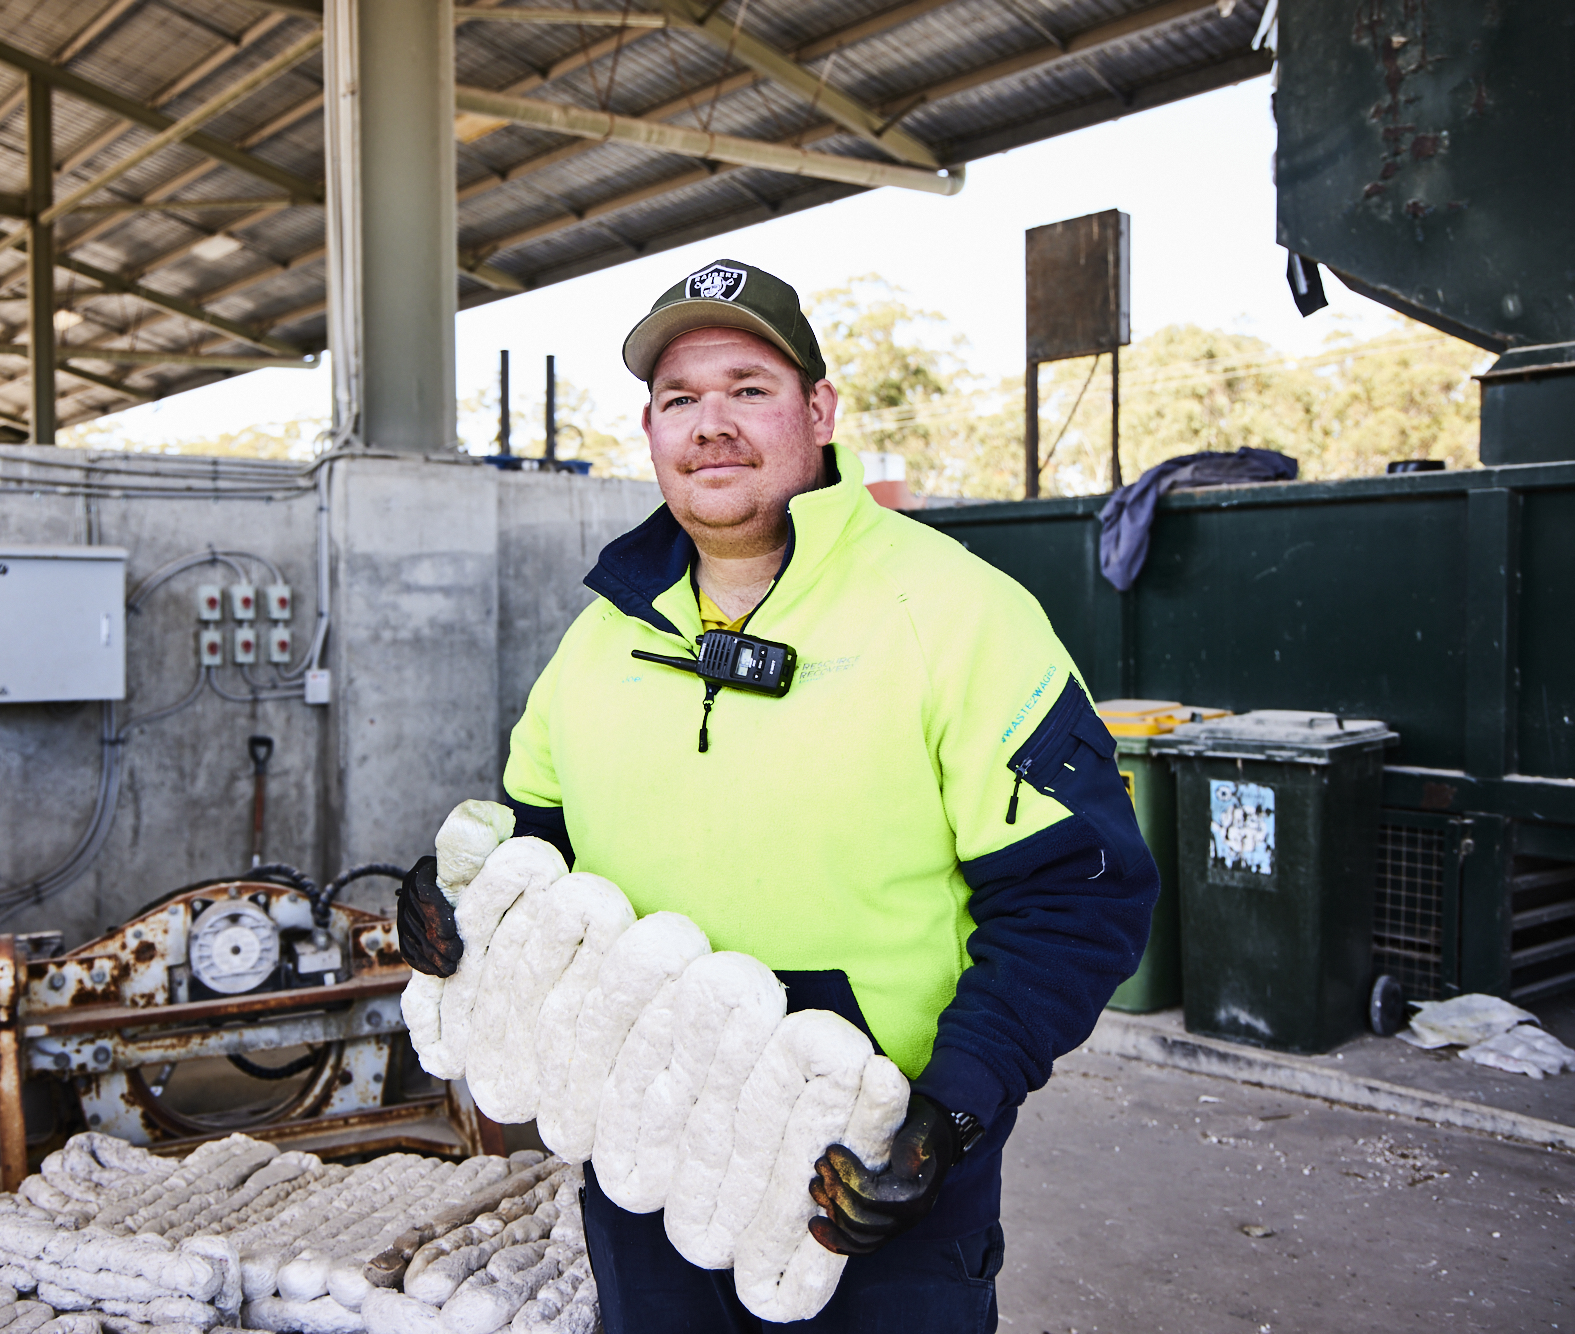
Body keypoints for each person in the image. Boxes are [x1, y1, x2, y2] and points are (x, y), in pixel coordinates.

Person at [398, 259, 1158, 1332]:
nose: (710, 424)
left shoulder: (954, 613)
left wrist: (946, 1114)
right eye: (678, 398)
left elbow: (1075, 892)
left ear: (818, 409)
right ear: (651, 431)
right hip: (643, 1167)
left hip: (866, 1184)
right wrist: (453, 899)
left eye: (747, 388)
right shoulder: (599, 640)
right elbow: (532, 838)